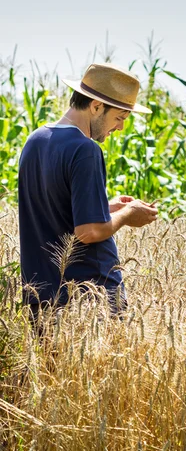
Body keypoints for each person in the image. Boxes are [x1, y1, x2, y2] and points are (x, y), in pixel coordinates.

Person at [18, 63, 158, 327]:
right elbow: (88, 232)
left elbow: (54, 209)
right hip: (87, 299)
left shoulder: (34, 141)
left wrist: (107, 207)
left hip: (42, 298)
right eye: (119, 117)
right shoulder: (85, 149)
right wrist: (129, 215)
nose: (119, 128)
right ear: (96, 106)